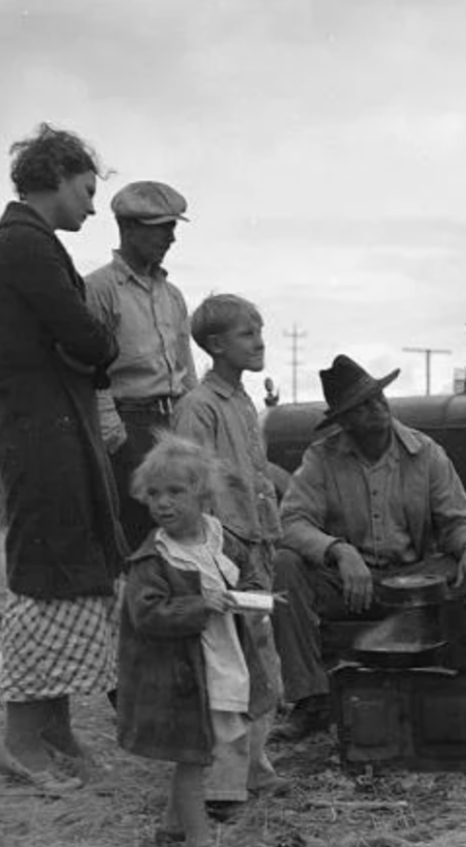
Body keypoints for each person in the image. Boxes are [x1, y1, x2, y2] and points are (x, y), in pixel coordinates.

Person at [0, 123, 125, 792]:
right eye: (87, 190)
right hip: (44, 435)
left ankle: (55, 727)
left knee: (71, 563)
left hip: (56, 428)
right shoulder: (24, 248)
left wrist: (86, 348)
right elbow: (92, 341)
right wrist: (92, 343)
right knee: (47, 574)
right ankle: (18, 740)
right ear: (56, 177)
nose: (93, 207)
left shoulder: (33, 246)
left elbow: (83, 347)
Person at [272, 355, 466, 740]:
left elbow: (458, 520)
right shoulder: (321, 458)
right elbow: (290, 522)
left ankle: (452, 684)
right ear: (344, 420)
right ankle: (311, 700)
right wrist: (339, 551)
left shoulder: (425, 452)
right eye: (362, 405)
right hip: (349, 585)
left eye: (378, 397)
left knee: (464, 566)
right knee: (285, 566)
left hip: (411, 585)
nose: (377, 408)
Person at [116, 434, 276, 847]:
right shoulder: (154, 559)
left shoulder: (221, 538)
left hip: (223, 661)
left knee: (202, 746)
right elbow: (146, 614)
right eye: (153, 494)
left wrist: (259, 599)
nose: (162, 503)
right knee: (195, 754)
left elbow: (251, 576)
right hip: (184, 675)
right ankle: (199, 842)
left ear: (202, 494)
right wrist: (198, 605)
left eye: (174, 492)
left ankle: (172, 827)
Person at [171, 293, 287, 806]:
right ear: (215, 345)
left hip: (256, 545)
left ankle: (255, 768)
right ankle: (223, 783)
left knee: (261, 658)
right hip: (224, 554)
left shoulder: (242, 401)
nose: (260, 340)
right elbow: (190, 482)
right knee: (228, 664)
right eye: (247, 333)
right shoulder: (199, 408)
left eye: (260, 329)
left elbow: (254, 475)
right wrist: (212, 559)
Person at [85, 180, 196, 552]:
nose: (171, 238)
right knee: (135, 535)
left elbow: (186, 370)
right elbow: (88, 368)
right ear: (129, 228)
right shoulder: (99, 289)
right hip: (128, 425)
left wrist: (192, 426)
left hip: (173, 426)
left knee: (181, 536)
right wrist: (113, 435)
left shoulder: (173, 295)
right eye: (162, 228)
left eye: (173, 228)